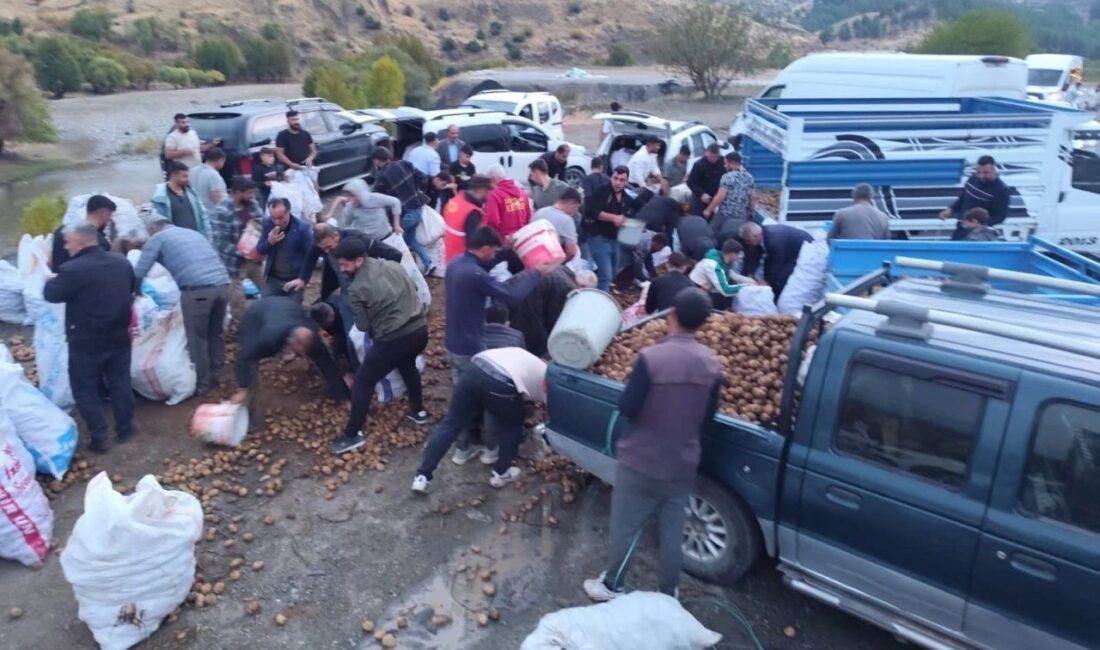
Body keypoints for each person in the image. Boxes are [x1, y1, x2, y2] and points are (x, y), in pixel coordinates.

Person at [583, 288, 723, 601]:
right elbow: (709, 415)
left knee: (627, 526)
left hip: (642, 460)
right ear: (702, 323)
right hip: (683, 461)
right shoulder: (712, 364)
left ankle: (611, 586)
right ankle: (668, 592)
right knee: (673, 529)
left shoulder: (652, 358)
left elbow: (629, 407)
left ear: (672, 314)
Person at [444, 227, 544, 463]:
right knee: (491, 398)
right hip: (472, 348)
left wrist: (506, 250)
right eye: (494, 251)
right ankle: (491, 450)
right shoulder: (476, 275)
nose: (494, 255)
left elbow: (483, 268)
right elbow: (511, 296)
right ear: (485, 248)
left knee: (463, 398)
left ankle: (464, 448)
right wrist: (536, 273)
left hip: (452, 344)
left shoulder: (457, 264)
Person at [329, 238, 430, 455]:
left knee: (364, 380)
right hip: (421, 331)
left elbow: (363, 326)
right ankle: (418, 412)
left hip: (394, 339)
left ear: (359, 260)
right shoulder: (393, 265)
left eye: (345, 264)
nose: (342, 269)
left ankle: (352, 434)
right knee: (407, 365)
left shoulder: (356, 289)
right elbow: (413, 288)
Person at [42, 223, 135, 454]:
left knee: (85, 389)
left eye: (67, 241)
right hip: (119, 337)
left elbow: (51, 295)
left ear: (81, 242)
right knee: (121, 383)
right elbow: (134, 287)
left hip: (86, 342)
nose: (65, 245)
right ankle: (125, 429)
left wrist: (47, 277)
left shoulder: (72, 269)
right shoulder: (121, 262)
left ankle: (99, 437)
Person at [413, 345, 547, 493]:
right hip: (501, 381)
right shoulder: (547, 380)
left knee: (451, 424)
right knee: (512, 425)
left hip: (474, 370)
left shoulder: (528, 359)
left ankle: (422, 477)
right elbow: (549, 409)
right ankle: (501, 473)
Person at [134, 216, 231, 395]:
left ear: (153, 229)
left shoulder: (157, 238)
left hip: (197, 291)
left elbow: (140, 271)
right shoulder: (192, 233)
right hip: (223, 286)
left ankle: (203, 383)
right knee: (215, 333)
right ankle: (219, 373)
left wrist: (135, 293)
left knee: (197, 338)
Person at [230, 297, 349, 422]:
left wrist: (345, 397)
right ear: (290, 342)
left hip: (285, 306)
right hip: (255, 316)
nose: (303, 353)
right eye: (301, 349)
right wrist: (243, 387)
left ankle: (338, 394)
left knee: (319, 355)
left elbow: (327, 364)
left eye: (307, 349)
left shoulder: (310, 336)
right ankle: (249, 417)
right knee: (251, 367)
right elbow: (244, 356)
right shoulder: (269, 339)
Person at [209, 178, 265, 322]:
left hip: (255, 260)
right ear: (237, 193)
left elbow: (262, 223)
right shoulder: (222, 211)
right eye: (249, 193)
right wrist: (245, 252)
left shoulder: (252, 205)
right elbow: (220, 243)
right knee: (237, 301)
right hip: (233, 263)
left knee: (267, 288)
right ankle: (243, 326)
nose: (252, 196)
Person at [372, 146, 433, 273]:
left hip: (404, 215)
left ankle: (406, 270)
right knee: (410, 240)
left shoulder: (382, 176)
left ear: (377, 160)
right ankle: (429, 263)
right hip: (417, 209)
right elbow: (423, 178)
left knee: (396, 243)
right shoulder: (405, 164)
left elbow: (376, 198)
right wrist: (417, 191)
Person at [307, 223, 402, 304]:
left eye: (329, 247)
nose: (326, 252)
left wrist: (382, 276)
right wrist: (302, 279)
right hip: (348, 296)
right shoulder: (324, 243)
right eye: (323, 249)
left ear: (336, 236)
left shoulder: (359, 239)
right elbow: (311, 255)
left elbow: (394, 254)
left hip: (371, 295)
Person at [507, 247, 576, 357]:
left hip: (519, 285)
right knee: (533, 335)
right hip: (532, 301)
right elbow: (555, 319)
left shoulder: (560, 271)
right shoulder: (567, 287)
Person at [938, 155, 1010, 240]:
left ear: (994, 170)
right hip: (961, 228)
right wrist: (951, 209)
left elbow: (1000, 216)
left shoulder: (1001, 190)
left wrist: (979, 224)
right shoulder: (972, 179)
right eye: (978, 172)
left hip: (979, 234)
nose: (981, 176)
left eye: (985, 173)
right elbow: (964, 197)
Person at [256, 197, 314, 301]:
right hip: (273, 278)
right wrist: (269, 242)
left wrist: (303, 279)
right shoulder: (267, 223)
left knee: (291, 311)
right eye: (273, 218)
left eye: (280, 218)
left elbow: (310, 256)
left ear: (288, 212)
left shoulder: (302, 229)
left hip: (294, 278)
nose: (277, 222)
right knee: (267, 308)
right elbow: (260, 250)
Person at [583, 165, 630, 291]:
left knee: (613, 272)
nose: (617, 183)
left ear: (627, 181)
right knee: (606, 276)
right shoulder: (603, 191)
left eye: (622, 180)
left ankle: (592, 290)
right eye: (615, 178)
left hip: (614, 238)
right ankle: (600, 303)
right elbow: (590, 211)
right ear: (611, 177)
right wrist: (613, 218)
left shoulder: (626, 197)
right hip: (598, 236)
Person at [737, 221, 812, 299]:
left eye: (748, 240)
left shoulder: (773, 240)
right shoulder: (762, 236)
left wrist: (767, 282)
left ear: (756, 236)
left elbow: (777, 263)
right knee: (767, 266)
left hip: (802, 249)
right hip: (787, 249)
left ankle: (777, 297)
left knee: (782, 276)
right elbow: (754, 258)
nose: (746, 243)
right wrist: (746, 276)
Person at [325, 178, 402, 241]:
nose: (350, 199)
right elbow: (345, 226)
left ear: (360, 194)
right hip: (368, 242)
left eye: (352, 196)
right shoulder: (350, 208)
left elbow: (395, 202)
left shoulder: (376, 198)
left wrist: (396, 225)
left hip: (385, 236)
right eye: (348, 196)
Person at [51, 194, 114, 270]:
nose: (110, 220)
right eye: (110, 215)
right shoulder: (101, 242)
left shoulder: (61, 230)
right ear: (104, 214)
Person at [442, 175, 493, 265]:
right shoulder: (472, 213)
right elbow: (475, 246)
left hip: (449, 258)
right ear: (482, 190)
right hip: (463, 262)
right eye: (489, 191)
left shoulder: (455, 200)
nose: (490, 195)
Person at [151, 161, 210, 237]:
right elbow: (159, 224)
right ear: (174, 175)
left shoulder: (192, 193)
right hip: (175, 240)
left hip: (196, 237)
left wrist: (207, 237)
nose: (188, 179)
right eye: (184, 176)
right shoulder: (160, 198)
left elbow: (203, 216)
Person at [689, 239, 752, 310]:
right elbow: (725, 290)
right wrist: (747, 287)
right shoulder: (714, 266)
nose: (738, 258)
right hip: (695, 294)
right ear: (732, 254)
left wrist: (750, 281)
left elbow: (733, 275)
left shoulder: (721, 261)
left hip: (705, 290)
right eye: (738, 255)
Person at [704, 152, 755, 235]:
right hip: (741, 216)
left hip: (725, 214)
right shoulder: (749, 177)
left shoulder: (727, 177)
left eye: (726, 163)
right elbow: (753, 197)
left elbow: (720, 196)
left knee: (711, 234)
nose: (725, 166)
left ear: (732, 163)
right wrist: (751, 212)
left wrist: (708, 210)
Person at [483, 164, 533, 240]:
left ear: (492, 179)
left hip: (503, 241)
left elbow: (492, 221)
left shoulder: (494, 195)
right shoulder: (522, 193)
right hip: (520, 238)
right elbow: (528, 216)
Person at [687, 143, 725, 215]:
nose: (713, 159)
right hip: (701, 198)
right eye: (711, 157)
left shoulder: (723, 162)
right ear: (706, 153)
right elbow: (691, 182)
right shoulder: (699, 165)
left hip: (717, 198)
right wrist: (701, 194)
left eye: (715, 157)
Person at [190, 147, 227, 216]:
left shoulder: (192, 171)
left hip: (194, 212)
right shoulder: (214, 176)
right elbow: (218, 200)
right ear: (221, 160)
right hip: (210, 214)